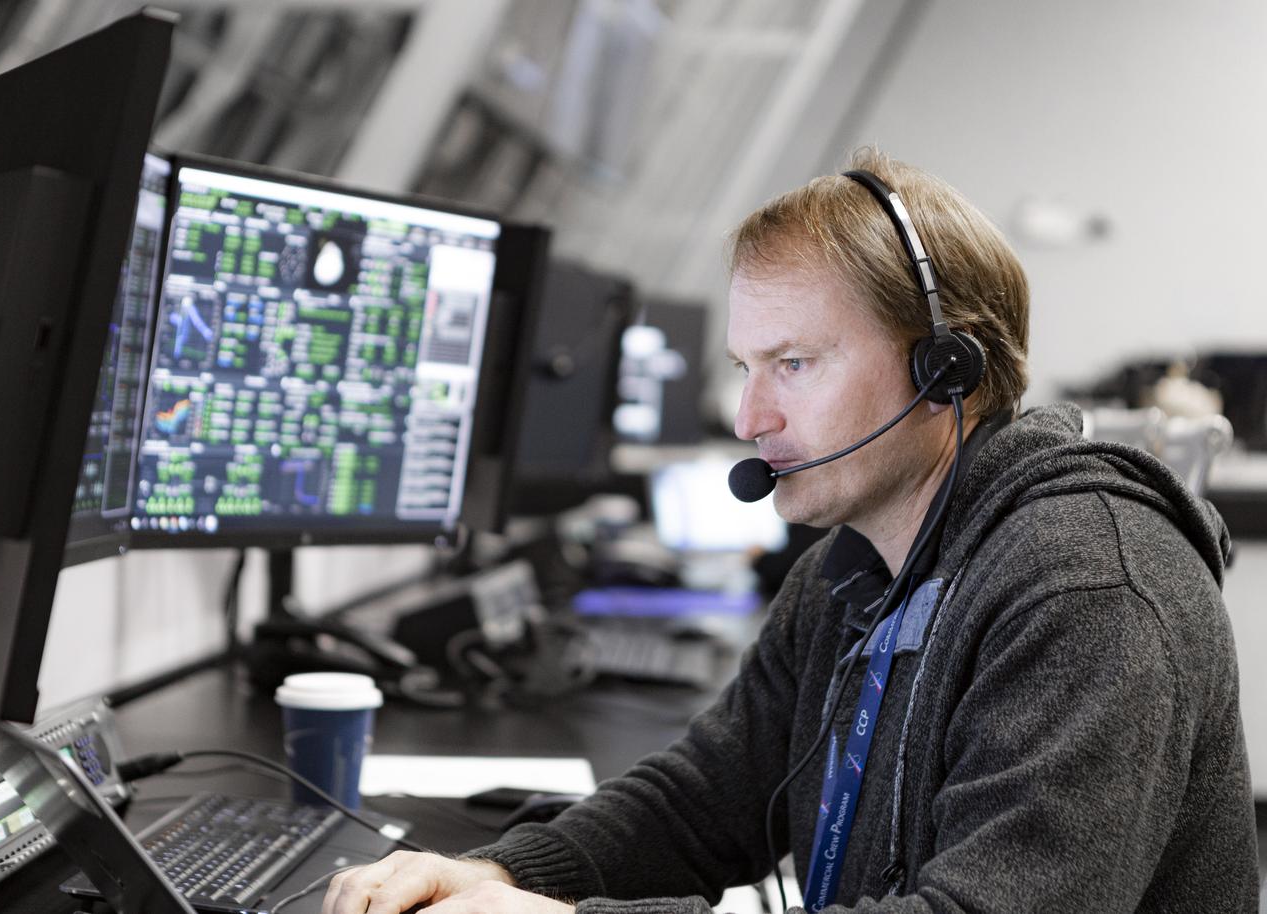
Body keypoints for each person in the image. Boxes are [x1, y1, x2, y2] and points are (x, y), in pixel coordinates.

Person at [321, 150, 1259, 914]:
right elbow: (705, 802)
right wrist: (503, 873)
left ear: (946, 371)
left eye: (795, 363)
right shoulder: (855, 571)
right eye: (746, 366)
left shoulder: (1089, 593)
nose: (749, 417)